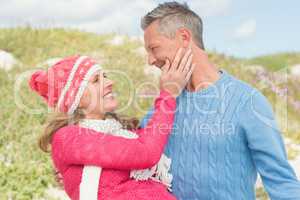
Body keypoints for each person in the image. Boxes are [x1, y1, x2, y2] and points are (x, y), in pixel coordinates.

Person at [139, 1, 300, 199]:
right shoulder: (161, 108)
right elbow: (137, 165)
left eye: (154, 48)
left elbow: (283, 184)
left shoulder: (247, 102)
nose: (150, 60)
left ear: (184, 37)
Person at [28, 52, 195, 200]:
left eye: (105, 76)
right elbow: (146, 152)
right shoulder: (68, 138)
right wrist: (168, 94)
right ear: (74, 99)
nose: (110, 82)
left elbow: (153, 137)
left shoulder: (120, 131)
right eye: (95, 80)